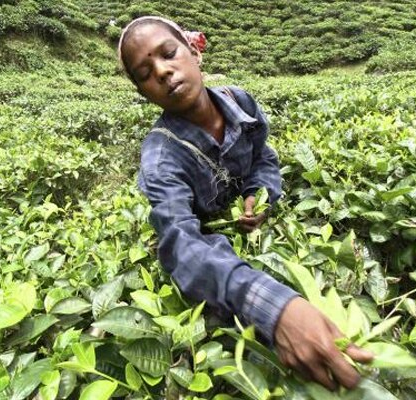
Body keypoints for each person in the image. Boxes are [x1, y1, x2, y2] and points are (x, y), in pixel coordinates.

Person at [117, 16, 373, 391]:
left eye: (169, 53)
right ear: (145, 93)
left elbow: (263, 158)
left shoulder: (240, 101)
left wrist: (261, 193)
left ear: (193, 52)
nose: (163, 71)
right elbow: (181, 245)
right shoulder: (160, 158)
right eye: (145, 73)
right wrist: (275, 310)